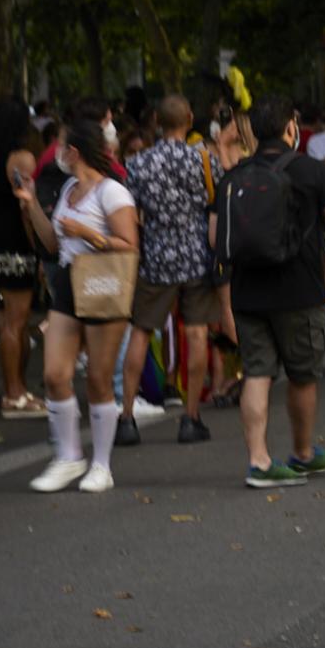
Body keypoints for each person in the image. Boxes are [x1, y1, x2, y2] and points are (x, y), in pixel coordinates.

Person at [223, 95, 325, 488]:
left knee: (257, 372)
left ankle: (258, 461)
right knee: (303, 375)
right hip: (299, 290)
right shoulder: (313, 172)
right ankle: (303, 453)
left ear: (252, 131)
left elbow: (213, 237)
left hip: (246, 291)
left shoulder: (235, 175)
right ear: (292, 127)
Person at [26, 100, 140, 494]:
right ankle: (68, 456)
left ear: (74, 152)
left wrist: (88, 234)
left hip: (105, 285)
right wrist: (31, 207)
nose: (56, 152)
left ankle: (102, 465)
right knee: (54, 374)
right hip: (69, 285)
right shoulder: (70, 189)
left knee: (97, 379)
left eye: (61, 146)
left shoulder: (113, 193)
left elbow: (129, 246)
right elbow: (52, 242)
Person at [125, 95, 222, 445]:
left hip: (156, 256)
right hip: (197, 257)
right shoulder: (205, 161)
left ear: (156, 120)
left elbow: (130, 211)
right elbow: (215, 204)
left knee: (140, 331)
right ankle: (191, 416)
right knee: (196, 334)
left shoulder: (138, 164)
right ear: (191, 118)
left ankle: (126, 416)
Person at [0, 101, 48, 417]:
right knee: (16, 322)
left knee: (8, 322)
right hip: (18, 243)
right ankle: (14, 393)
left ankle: (14, 389)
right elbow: (25, 207)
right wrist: (39, 247)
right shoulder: (22, 158)